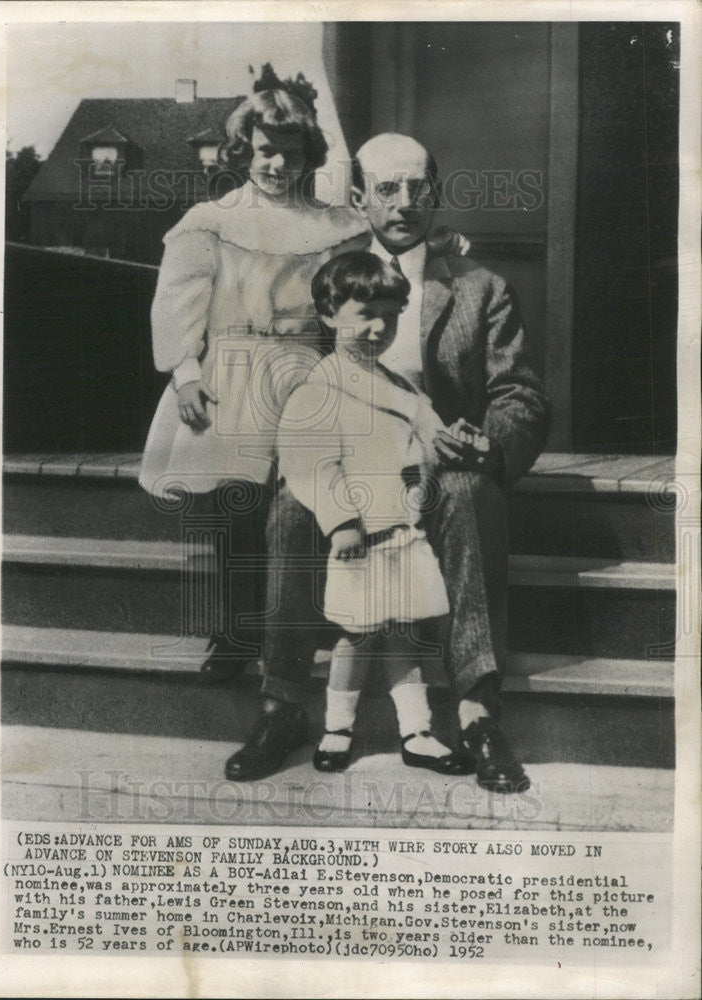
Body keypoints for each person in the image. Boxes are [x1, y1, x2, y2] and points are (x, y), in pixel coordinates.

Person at [225, 134, 551, 793]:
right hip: (345, 460)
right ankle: (282, 706)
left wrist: (489, 442)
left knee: (468, 492)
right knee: (293, 504)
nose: (404, 203)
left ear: (435, 195)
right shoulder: (324, 282)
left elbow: (519, 394)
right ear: (357, 198)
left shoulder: (479, 288)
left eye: (418, 189)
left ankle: (478, 711)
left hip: (436, 470)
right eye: (386, 189)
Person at [138, 82, 368, 683]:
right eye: (265, 150)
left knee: (298, 504)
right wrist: (186, 373)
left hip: (304, 370)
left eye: (290, 153)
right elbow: (178, 300)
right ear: (243, 149)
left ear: (309, 154)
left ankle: (296, 626)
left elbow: (357, 294)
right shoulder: (211, 221)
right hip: (230, 372)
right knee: (238, 507)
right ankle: (237, 632)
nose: (277, 164)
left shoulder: (334, 225)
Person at [278, 251, 475, 775]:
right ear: (328, 313)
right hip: (360, 536)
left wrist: (453, 441)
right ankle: (337, 728)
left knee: (406, 633)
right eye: (364, 314)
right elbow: (311, 462)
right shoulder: (319, 387)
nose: (377, 328)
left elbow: (429, 430)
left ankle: (417, 731)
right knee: (356, 635)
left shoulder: (401, 387)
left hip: (404, 532)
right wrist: (340, 521)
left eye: (389, 316)